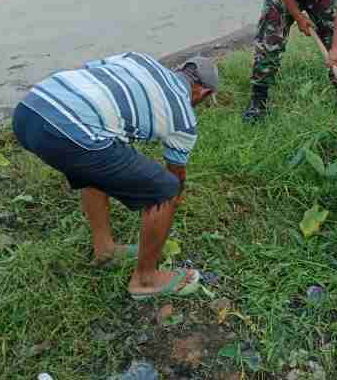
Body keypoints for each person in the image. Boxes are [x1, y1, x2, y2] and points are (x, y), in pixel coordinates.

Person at [12, 52, 219, 299]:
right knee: (166, 190)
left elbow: (95, 76)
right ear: (202, 93)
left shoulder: (140, 59)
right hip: (69, 131)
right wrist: (173, 199)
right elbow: (176, 176)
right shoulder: (183, 118)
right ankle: (146, 280)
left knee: (99, 158)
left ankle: (105, 250)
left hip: (30, 110)